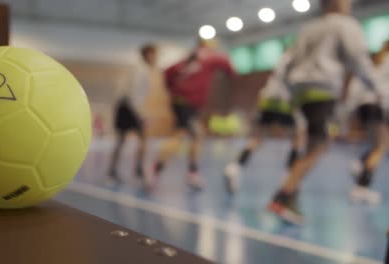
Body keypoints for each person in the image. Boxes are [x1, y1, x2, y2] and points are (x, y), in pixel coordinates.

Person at [267, 0, 381, 225]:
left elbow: (289, 63)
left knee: (312, 144)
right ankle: (283, 195)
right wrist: (379, 89)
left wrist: (292, 91)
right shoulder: (345, 24)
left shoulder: (308, 28)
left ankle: (291, 193)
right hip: (322, 91)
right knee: (318, 146)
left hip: (301, 92)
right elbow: (358, 59)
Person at [148, 38, 237, 191]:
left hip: (181, 103)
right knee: (181, 135)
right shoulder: (210, 57)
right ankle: (156, 169)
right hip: (188, 104)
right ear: (206, 45)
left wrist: (173, 90)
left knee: (196, 135)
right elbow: (230, 68)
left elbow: (167, 73)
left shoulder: (186, 60)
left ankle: (192, 172)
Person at [224, 50, 304, 194]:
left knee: (258, 138)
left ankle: (235, 167)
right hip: (285, 102)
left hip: (268, 100)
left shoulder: (283, 60)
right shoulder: (299, 61)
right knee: (298, 137)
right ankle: (289, 177)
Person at [108, 44, 159, 183]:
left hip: (128, 106)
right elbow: (134, 94)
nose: (156, 58)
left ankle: (126, 169)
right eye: (154, 54)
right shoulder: (140, 70)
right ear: (147, 54)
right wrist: (141, 115)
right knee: (130, 138)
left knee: (130, 139)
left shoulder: (142, 69)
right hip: (128, 107)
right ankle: (133, 169)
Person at [347, 41, 389, 204]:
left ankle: (360, 163)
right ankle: (361, 187)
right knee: (379, 147)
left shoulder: (376, 62)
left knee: (379, 144)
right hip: (374, 106)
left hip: (367, 106)